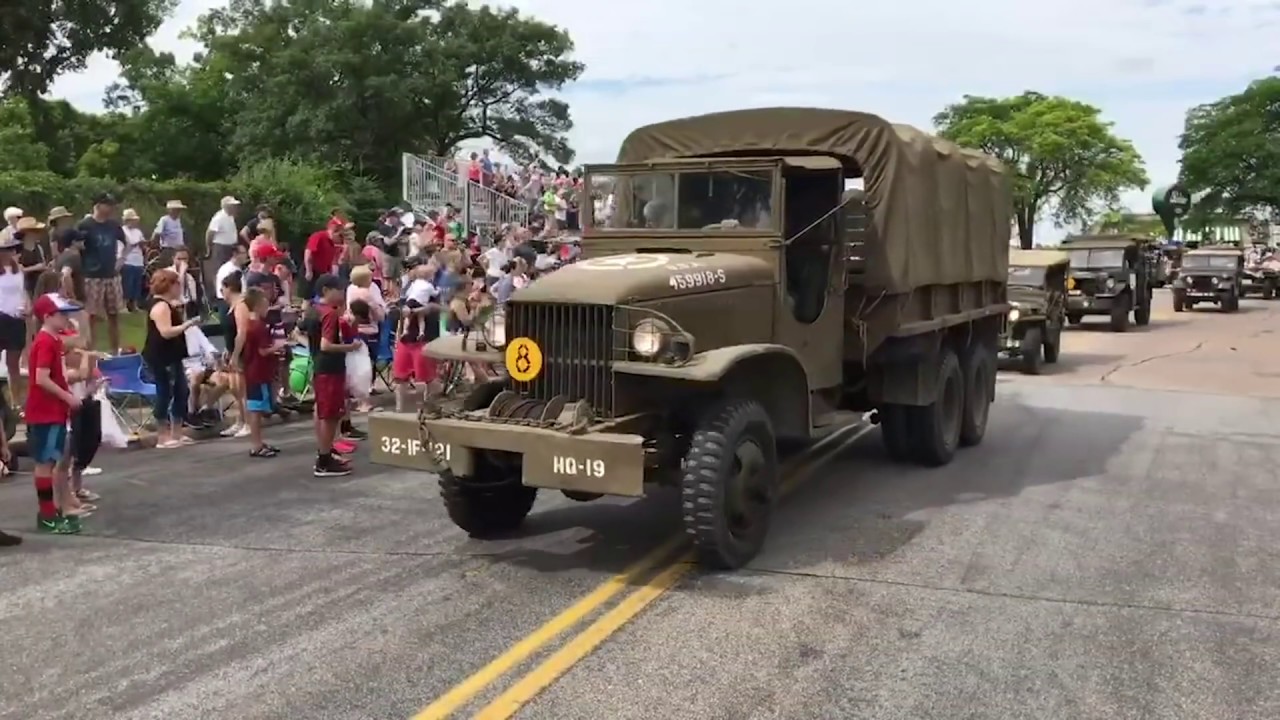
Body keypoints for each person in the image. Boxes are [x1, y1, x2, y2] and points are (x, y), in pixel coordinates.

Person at [26, 293, 84, 534]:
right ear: (47, 316)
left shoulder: (54, 340)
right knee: (45, 463)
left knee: (51, 460)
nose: (66, 318)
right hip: (44, 411)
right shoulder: (45, 342)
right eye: (62, 314)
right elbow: (41, 377)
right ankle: (47, 513)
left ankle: (51, 511)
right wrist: (67, 396)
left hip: (53, 411)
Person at [305, 274, 364, 477]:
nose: (341, 293)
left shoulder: (312, 310)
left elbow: (300, 333)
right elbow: (326, 345)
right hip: (330, 368)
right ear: (326, 291)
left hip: (319, 366)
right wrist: (350, 347)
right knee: (330, 415)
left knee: (321, 411)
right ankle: (324, 459)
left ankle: (325, 451)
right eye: (337, 290)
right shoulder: (329, 314)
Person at [144, 268, 199, 448]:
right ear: (169, 286)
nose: (179, 288)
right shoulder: (160, 306)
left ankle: (177, 431)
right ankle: (162, 435)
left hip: (173, 354)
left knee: (181, 391)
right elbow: (166, 332)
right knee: (165, 392)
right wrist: (187, 324)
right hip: (162, 356)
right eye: (177, 284)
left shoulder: (169, 304)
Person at [76, 193, 128, 353]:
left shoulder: (113, 225)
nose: (111, 208)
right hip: (92, 276)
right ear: (98, 205)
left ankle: (114, 350)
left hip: (111, 275)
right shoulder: (85, 225)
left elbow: (125, 243)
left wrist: (121, 261)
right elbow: (76, 245)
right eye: (108, 205)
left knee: (114, 315)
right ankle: (92, 352)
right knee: (91, 316)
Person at [240, 287, 284, 458]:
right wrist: (278, 346)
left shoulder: (250, 325)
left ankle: (258, 442)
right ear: (258, 306)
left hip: (255, 371)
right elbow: (263, 351)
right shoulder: (258, 327)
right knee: (256, 411)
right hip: (256, 372)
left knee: (257, 409)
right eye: (265, 304)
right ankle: (256, 445)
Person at [393, 263, 441, 411]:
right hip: (406, 338)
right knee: (400, 376)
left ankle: (431, 407)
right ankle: (400, 409)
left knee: (427, 376)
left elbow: (441, 308)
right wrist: (399, 334)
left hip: (425, 338)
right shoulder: (409, 288)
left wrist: (428, 308)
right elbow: (402, 310)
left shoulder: (431, 290)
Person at [220, 270, 253, 439]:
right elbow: (229, 333)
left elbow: (242, 332)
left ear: (229, 288)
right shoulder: (230, 307)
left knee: (242, 389)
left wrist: (236, 354)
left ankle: (248, 422)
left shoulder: (240, 306)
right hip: (232, 350)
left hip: (241, 352)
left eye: (223, 289)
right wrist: (228, 350)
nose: (222, 294)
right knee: (235, 388)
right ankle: (240, 420)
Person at [0, 228, 29, 404]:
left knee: (13, 365)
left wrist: (27, 305)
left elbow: (22, 292)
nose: (10, 253)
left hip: (16, 319)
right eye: (6, 250)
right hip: (1, 317)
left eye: (12, 249)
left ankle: (16, 402)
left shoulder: (19, 271)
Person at [203, 196, 241, 276]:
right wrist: (209, 249)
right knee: (220, 270)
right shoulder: (219, 218)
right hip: (221, 248)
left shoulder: (231, 216)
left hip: (231, 247)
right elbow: (210, 233)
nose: (235, 208)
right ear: (227, 206)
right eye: (233, 206)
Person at [120, 208, 148, 311]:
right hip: (127, 259)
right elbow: (125, 244)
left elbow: (142, 244)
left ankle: (135, 305)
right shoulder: (122, 231)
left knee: (137, 283)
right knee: (127, 283)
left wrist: (143, 245)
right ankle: (124, 305)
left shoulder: (138, 231)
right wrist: (135, 243)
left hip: (138, 260)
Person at [213, 244, 249, 314]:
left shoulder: (237, 268)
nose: (246, 256)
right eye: (243, 253)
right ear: (235, 254)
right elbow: (226, 290)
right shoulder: (227, 270)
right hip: (229, 305)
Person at [151, 200, 187, 267]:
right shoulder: (164, 220)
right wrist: (155, 246)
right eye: (176, 210)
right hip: (168, 249)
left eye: (179, 210)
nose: (178, 212)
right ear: (170, 210)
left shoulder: (179, 220)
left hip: (179, 249)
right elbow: (157, 233)